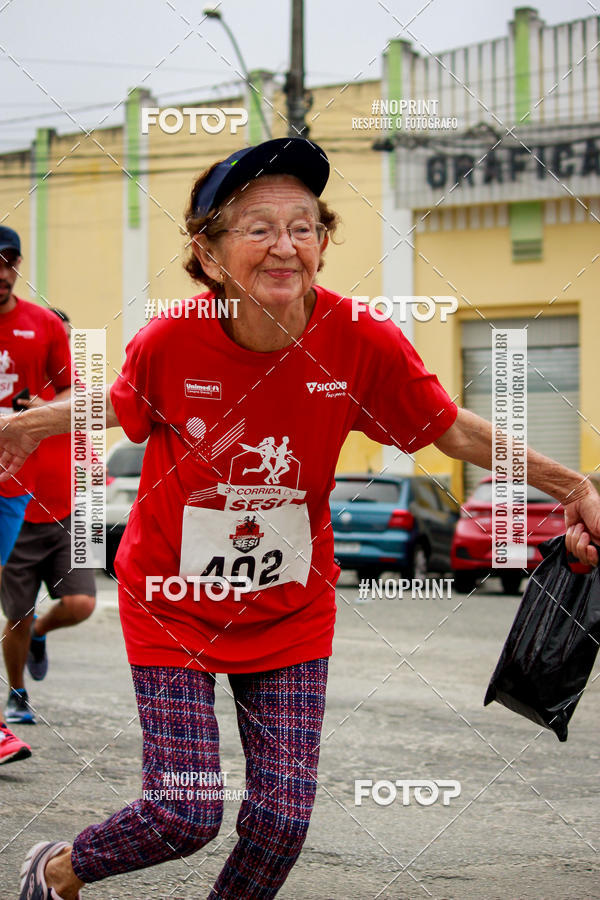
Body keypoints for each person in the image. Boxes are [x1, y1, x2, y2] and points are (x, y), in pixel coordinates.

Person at [0, 138, 597, 899]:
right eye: (257, 227)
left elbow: (450, 429)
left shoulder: (360, 342)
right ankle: (56, 870)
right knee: (184, 811)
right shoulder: (172, 339)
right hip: (173, 607)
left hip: (290, 610)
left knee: (281, 820)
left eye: (304, 226)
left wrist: (573, 485)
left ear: (321, 241)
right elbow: (119, 406)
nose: (286, 245)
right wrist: (24, 427)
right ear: (210, 254)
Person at [1, 308, 96, 728]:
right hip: (19, 518)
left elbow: (89, 445)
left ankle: (40, 633)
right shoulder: (12, 390)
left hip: (67, 517)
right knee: (16, 615)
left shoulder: (75, 397)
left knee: (81, 604)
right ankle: (17, 693)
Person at [0, 227, 72, 766]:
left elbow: (77, 390)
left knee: (77, 602)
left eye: (9, 261)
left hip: (14, 490)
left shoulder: (44, 325)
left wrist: (40, 411)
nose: (1, 271)